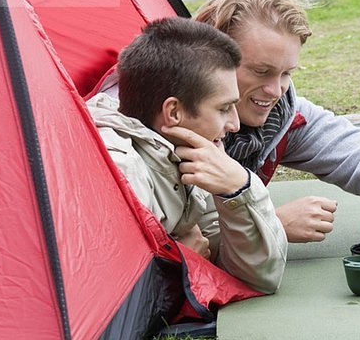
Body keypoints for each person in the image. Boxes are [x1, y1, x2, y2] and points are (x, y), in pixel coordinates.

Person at [193, 0, 360, 250]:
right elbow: (173, 242)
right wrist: (273, 224)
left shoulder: (280, 116)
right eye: (261, 71)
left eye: (286, 73)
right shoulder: (169, 127)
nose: (275, 91)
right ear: (210, 59)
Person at [87, 17, 287, 294]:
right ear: (173, 113)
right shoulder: (121, 169)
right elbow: (105, 299)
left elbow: (259, 276)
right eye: (223, 108)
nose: (234, 125)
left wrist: (238, 190)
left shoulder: (183, 151)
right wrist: (180, 263)